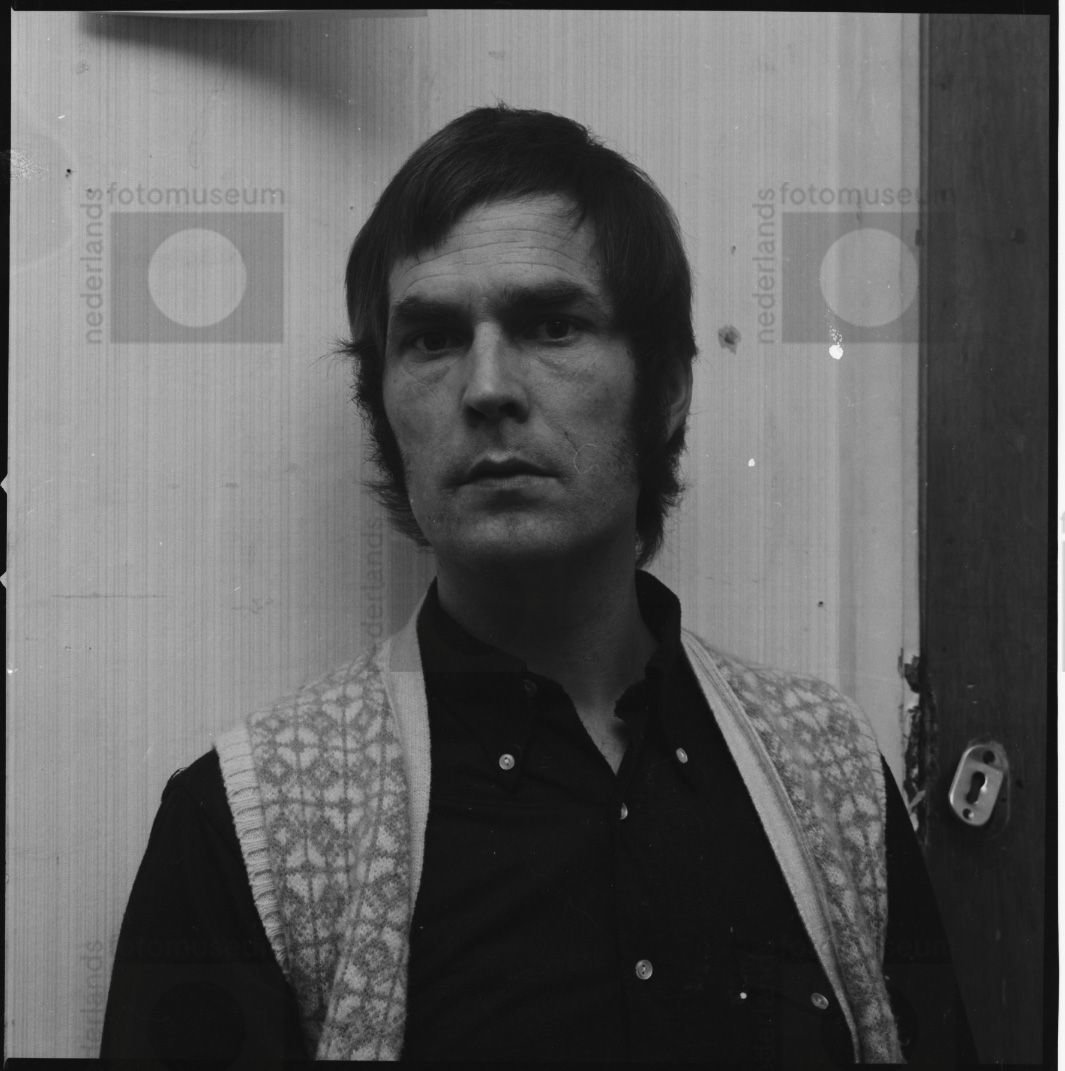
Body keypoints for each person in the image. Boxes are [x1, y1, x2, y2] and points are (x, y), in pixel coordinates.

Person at [101, 105, 975, 1066]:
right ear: (382, 408)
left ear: (666, 386)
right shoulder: (249, 822)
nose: (486, 387)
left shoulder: (831, 771)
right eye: (432, 338)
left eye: (552, 325)